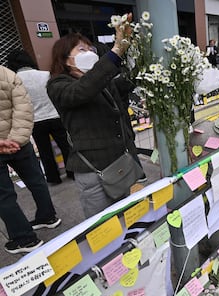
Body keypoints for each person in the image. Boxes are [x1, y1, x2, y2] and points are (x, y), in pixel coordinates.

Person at [47, 13, 147, 218]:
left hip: (121, 164)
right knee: (104, 227)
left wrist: (138, 51)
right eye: (81, 50)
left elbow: (126, 81)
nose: (90, 52)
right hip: (95, 171)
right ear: (65, 60)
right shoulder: (59, 86)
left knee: (128, 217)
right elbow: (84, 90)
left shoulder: (101, 80)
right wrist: (116, 50)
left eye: (91, 48)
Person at [0, 65, 61, 254]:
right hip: (20, 142)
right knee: (36, 181)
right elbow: (24, 106)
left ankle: (24, 238)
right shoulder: (7, 74)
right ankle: (48, 217)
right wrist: (16, 139)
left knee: (3, 195)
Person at [7, 49, 73, 185]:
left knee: (45, 151)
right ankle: (73, 172)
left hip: (35, 120)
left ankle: (53, 178)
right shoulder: (46, 75)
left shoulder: (14, 81)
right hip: (54, 115)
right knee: (65, 146)